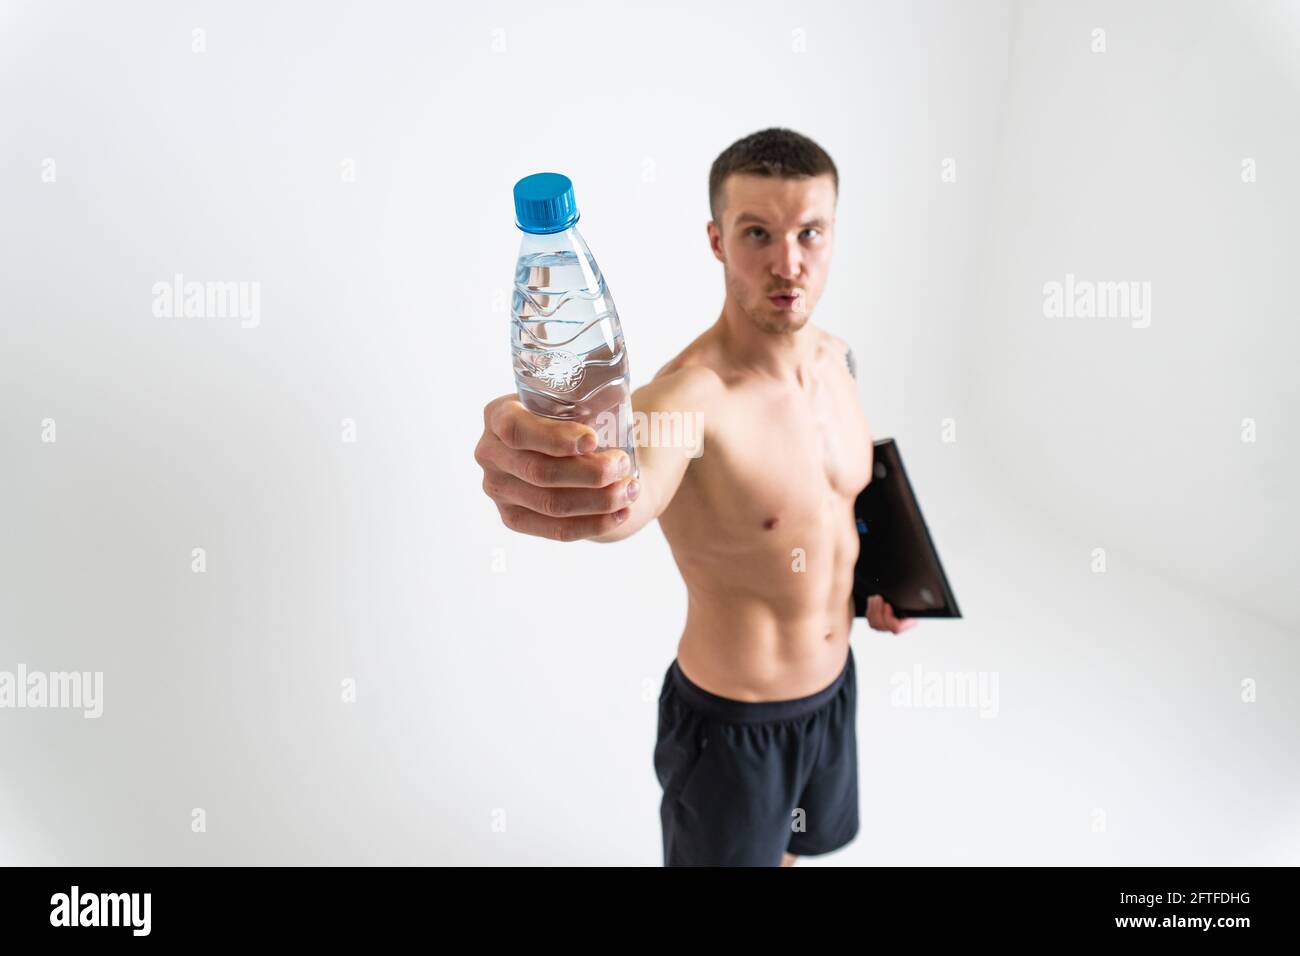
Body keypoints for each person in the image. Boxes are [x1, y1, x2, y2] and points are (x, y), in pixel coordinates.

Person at [475, 128, 918, 866]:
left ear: (833, 233)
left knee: (795, 857)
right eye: (757, 233)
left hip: (833, 696)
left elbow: (833, 509)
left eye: (810, 232)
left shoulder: (840, 360)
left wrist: (882, 587)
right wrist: (574, 483)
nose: (789, 262)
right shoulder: (690, 399)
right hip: (732, 730)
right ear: (716, 240)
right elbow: (629, 496)